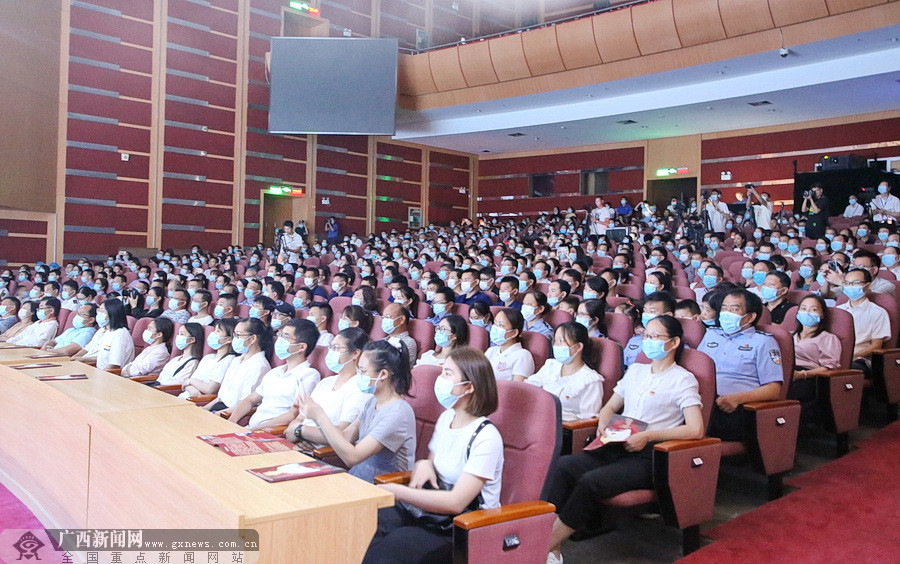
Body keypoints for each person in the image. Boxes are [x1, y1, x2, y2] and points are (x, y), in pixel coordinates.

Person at [545, 316, 703, 564]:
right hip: (617, 442)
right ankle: (551, 548)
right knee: (563, 466)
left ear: (673, 343)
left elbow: (695, 429)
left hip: (650, 452)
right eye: (645, 336)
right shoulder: (637, 370)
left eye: (654, 337)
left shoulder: (683, 379)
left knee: (590, 482)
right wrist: (603, 424)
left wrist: (648, 436)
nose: (647, 341)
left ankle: (544, 545)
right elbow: (610, 406)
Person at [364, 347, 503, 564]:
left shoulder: (487, 436)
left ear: (468, 387)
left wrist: (397, 491)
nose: (440, 379)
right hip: (431, 510)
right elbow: (432, 462)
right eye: (442, 372)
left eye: (448, 374)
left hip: (464, 525)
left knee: (397, 544)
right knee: (369, 521)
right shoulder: (447, 417)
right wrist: (424, 464)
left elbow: (457, 502)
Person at [297, 339, 416, 483]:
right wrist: (311, 425)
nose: (359, 375)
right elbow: (345, 438)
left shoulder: (398, 412)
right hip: (357, 478)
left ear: (383, 374)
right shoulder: (372, 402)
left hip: (382, 488)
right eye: (358, 369)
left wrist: (319, 415)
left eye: (363, 371)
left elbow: (352, 457)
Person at [699, 289, 783, 441]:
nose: (726, 313)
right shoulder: (712, 334)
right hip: (699, 398)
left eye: (734, 309)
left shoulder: (763, 342)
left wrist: (737, 398)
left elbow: (774, 389)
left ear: (750, 316)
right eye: (724, 308)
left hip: (731, 406)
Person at [226, 319, 321, 430]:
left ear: (301, 347)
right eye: (280, 335)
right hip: (251, 428)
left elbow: (293, 415)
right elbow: (250, 400)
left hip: (271, 433)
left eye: (285, 337)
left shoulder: (308, 375)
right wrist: (231, 423)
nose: (279, 340)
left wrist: (253, 430)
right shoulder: (275, 372)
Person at [285, 327, 370, 446]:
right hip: (299, 445)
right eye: (330, 347)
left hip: (321, 453)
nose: (330, 352)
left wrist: (300, 431)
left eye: (336, 348)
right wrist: (299, 435)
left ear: (355, 353)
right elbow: (299, 419)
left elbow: (341, 434)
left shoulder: (360, 388)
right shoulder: (325, 382)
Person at [527, 322, 604, 421]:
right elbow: (530, 387)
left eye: (561, 341)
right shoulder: (551, 365)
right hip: (539, 418)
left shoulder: (590, 380)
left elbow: (588, 419)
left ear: (578, 347)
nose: (556, 345)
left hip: (564, 428)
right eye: (555, 340)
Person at [788, 295, 841, 415]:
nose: (807, 313)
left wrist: (802, 374)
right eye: (803, 308)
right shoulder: (790, 336)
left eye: (813, 309)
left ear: (822, 315)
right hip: (787, 372)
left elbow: (830, 367)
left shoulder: (828, 338)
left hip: (808, 377)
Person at [206, 318, 273, 412]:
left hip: (230, 413)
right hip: (219, 408)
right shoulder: (236, 360)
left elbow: (244, 404)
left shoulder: (259, 366)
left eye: (238, 335)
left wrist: (217, 414)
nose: (235, 339)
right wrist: (205, 409)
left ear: (253, 338)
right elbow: (221, 397)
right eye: (234, 334)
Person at [836, 268, 891, 378]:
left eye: (856, 283)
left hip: (861, 360)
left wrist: (850, 356)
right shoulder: (838, 310)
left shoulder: (878, 312)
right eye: (847, 283)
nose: (850, 286)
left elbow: (876, 345)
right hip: (835, 357)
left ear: (868, 285)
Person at [180, 318, 239, 399]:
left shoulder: (229, 359)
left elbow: (210, 389)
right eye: (214, 330)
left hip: (200, 401)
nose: (213, 333)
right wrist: (191, 388)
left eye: (218, 331)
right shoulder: (208, 357)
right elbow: (186, 383)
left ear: (229, 339)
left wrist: (190, 381)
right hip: (186, 396)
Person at [74, 298, 135, 370]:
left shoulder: (120, 334)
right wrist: (77, 359)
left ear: (112, 313)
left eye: (101, 310)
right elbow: (100, 356)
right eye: (98, 310)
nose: (98, 313)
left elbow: (114, 366)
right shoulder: (106, 330)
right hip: (97, 371)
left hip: (109, 376)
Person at [485, 308, 535, 381]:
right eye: (495, 323)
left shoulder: (523, 355)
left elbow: (518, 388)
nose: (495, 328)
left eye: (501, 325)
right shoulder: (491, 350)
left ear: (514, 332)